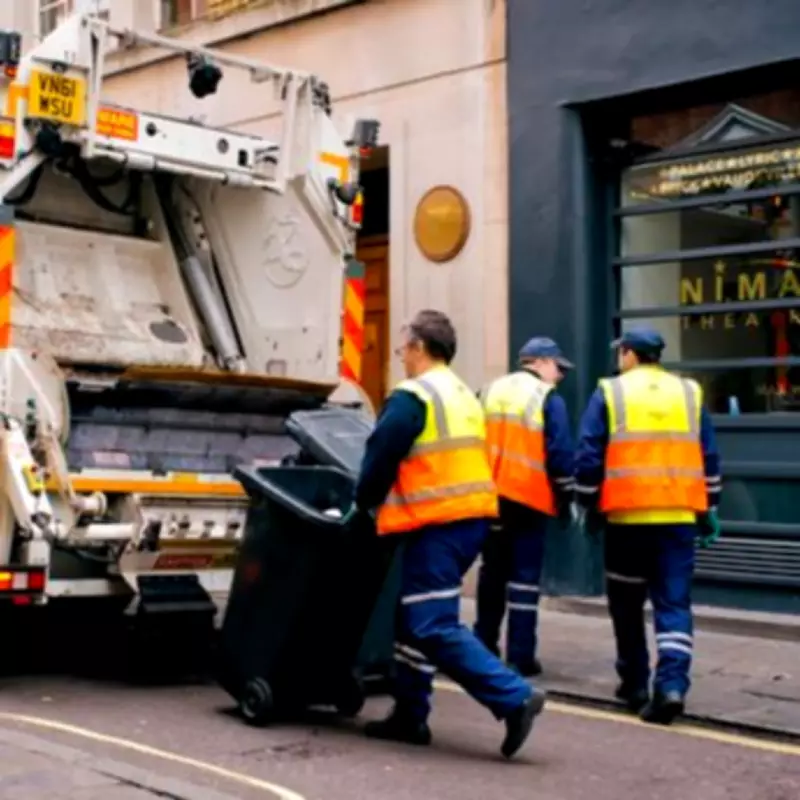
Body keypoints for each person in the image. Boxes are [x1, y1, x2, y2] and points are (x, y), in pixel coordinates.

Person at [353, 309, 545, 759]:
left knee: (431, 624)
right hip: (468, 519)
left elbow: (381, 455)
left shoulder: (413, 396)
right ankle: (409, 715)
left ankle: (514, 697)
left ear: (419, 348)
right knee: (412, 619)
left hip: (439, 522)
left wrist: (363, 500)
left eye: (402, 349)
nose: (401, 358)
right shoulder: (461, 393)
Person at [574, 326, 722, 726]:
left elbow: (590, 453)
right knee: (673, 604)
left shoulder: (610, 391)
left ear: (629, 354)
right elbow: (708, 454)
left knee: (625, 606)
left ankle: (635, 683)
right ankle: (671, 686)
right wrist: (710, 507)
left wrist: (587, 503)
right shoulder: (690, 392)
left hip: (627, 518)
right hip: (677, 519)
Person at [473, 337, 576, 676]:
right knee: (524, 579)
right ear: (542, 362)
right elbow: (559, 454)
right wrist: (565, 499)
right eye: (557, 367)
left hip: (489, 498)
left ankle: (482, 644)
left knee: (492, 573)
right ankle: (520, 655)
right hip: (528, 499)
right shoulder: (547, 399)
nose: (559, 375)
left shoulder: (488, 391)